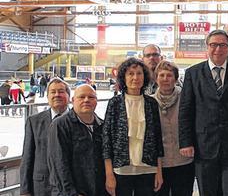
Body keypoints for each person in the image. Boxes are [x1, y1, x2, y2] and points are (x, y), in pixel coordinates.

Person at [179, 29, 228, 196]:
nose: (218, 49)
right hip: (204, 146)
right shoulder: (193, 73)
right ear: (207, 47)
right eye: (213, 45)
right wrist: (185, 142)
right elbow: (186, 110)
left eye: (222, 45)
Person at [102, 57, 164, 196]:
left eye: (139, 73)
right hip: (121, 170)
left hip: (148, 169)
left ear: (145, 77)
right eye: (130, 73)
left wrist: (158, 171)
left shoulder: (151, 103)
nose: (135, 77)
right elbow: (107, 140)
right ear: (123, 77)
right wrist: (109, 174)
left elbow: (158, 139)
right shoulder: (115, 103)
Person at [47, 84, 107, 196]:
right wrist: (71, 193)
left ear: (96, 101)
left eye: (91, 97)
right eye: (81, 97)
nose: (86, 100)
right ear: (73, 100)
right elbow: (59, 164)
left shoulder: (102, 126)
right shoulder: (60, 125)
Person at [20, 77, 70, 196]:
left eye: (61, 91)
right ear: (47, 97)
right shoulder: (34, 122)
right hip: (42, 187)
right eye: (53, 92)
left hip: (70, 188)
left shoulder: (77, 120)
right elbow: (27, 158)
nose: (57, 95)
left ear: (69, 97)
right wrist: (25, 190)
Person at [153, 60, 195, 196]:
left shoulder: (187, 99)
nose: (165, 79)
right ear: (156, 78)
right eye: (162, 75)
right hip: (160, 164)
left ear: (176, 79)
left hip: (184, 161)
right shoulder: (149, 102)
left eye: (169, 75)